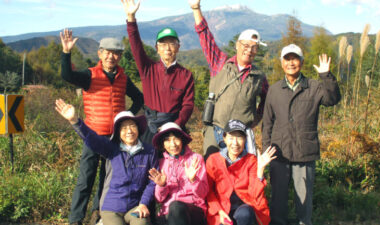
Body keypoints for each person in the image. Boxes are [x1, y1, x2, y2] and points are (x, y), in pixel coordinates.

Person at [59, 29, 144, 225]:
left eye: (115, 53)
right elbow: (67, 75)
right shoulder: (90, 75)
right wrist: (66, 53)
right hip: (92, 135)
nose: (110, 56)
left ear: (120, 56)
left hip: (114, 138)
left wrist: (126, 117)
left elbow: (138, 97)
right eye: (107, 52)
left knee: (108, 178)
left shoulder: (123, 77)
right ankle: (76, 219)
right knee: (85, 178)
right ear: (99, 54)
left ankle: (98, 213)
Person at [262, 44, 341, 225]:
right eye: (287, 59)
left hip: (304, 152)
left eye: (295, 58)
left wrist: (326, 76)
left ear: (302, 62)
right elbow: (267, 123)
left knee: (304, 199)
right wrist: (266, 151)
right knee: (278, 199)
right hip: (278, 152)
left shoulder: (314, 86)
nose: (291, 63)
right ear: (282, 63)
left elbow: (332, 99)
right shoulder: (274, 90)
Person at [55, 99, 157, 225]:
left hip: (134, 207)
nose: (129, 131)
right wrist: (75, 121)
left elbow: (152, 181)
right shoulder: (112, 149)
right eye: (124, 128)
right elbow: (92, 138)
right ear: (118, 133)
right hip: (112, 207)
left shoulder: (149, 152)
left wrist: (143, 203)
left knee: (142, 223)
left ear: (138, 128)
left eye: (132, 126)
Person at [188, 0, 269, 158]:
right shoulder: (220, 63)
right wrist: (196, 8)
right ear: (237, 45)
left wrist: (254, 121)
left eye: (254, 47)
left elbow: (268, 100)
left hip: (240, 136)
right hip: (215, 129)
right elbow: (205, 37)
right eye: (246, 45)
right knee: (211, 174)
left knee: (237, 177)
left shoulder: (259, 76)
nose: (249, 50)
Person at [122, 0, 195, 145]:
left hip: (174, 126)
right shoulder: (148, 68)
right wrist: (131, 19)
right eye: (163, 44)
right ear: (157, 47)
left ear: (178, 47)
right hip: (150, 126)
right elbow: (136, 47)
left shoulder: (185, 75)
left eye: (172, 43)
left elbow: (188, 105)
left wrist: (176, 124)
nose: (167, 48)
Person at [206, 119, 276, 225]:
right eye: (231, 137)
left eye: (239, 137)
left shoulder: (251, 160)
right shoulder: (213, 160)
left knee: (244, 213)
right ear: (224, 138)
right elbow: (208, 191)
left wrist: (260, 169)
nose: (235, 143)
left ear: (245, 139)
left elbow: (254, 194)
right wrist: (218, 211)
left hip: (245, 207)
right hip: (222, 209)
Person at [148, 122, 209, 225]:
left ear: (182, 140)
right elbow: (159, 199)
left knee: (176, 207)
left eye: (176, 139)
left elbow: (203, 194)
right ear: (163, 144)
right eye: (167, 140)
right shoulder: (161, 163)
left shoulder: (195, 159)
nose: (173, 144)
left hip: (193, 210)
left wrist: (193, 180)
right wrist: (162, 185)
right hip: (168, 213)